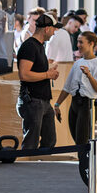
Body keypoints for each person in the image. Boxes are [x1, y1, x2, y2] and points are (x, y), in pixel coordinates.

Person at [53, 31, 97, 153]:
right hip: (75, 103)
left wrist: (89, 75)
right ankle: (83, 164)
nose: (78, 45)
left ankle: (85, 166)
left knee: (82, 140)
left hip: (88, 104)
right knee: (76, 139)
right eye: (78, 41)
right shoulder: (77, 63)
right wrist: (57, 104)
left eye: (81, 42)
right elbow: (67, 86)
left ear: (91, 43)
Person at [16, 13, 60, 150]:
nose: (54, 33)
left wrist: (48, 72)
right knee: (31, 143)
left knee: (49, 141)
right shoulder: (30, 46)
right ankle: (28, 170)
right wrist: (48, 74)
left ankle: (41, 169)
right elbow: (24, 74)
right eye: (53, 29)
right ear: (47, 29)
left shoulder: (40, 46)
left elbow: (33, 69)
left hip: (43, 101)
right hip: (33, 101)